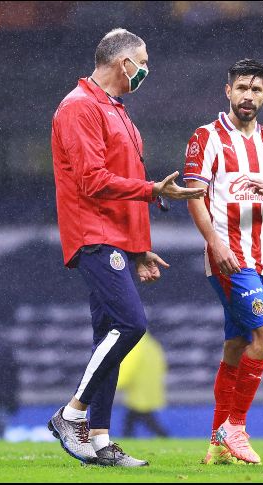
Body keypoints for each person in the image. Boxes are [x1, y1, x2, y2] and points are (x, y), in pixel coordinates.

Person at [47, 28, 205, 467]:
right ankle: (71, 413)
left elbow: (120, 182)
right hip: (92, 233)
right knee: (131, 324)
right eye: (144, 60)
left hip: (112, 236)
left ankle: (99, 440)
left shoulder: (114, 109)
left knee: (110, 334)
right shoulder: (79, 108)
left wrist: (138, 248)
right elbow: (93, 181)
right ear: (124, 64)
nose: (146, 69)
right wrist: (156, 189)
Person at [183, 59, 263, 465]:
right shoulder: (207, 137)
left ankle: (216, 443)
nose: (248, 95)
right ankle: (236, 426)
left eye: (256, 89)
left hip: (260, 260)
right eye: (241, 87)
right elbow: (194, 196)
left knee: (235, 345)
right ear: (227, 91)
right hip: (229, 259)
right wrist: (215, 242)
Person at [118, 332, 169, 438]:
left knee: (137, 417)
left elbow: (129, 368)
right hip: (149, 388)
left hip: (138, 390)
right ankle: (163, 436)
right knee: (140, 418)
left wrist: (117, 384)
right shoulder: (152, 344)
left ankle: (163, 436)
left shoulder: (135, 345)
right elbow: (162, 366)